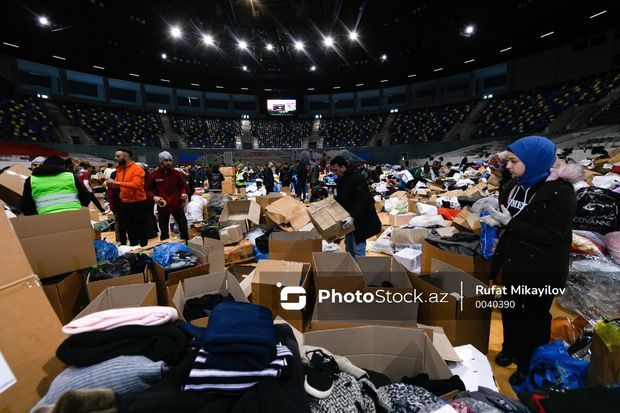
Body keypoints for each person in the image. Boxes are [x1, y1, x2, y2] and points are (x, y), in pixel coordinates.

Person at [480, 135, 580, 386]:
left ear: (534, 160)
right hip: (515, 262)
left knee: (534, 316)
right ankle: (510, 347)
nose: (509, 166)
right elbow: (509, 224)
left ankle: (528, 363)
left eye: (514, 161)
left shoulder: (560, 193)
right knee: (511, 309)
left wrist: (511, 224)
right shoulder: (512, 187)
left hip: (542, 268)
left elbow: (553, 235)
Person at [330, 156, 382, 258]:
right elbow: (343, 198)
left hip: (360, 220)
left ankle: (360, 272)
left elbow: (365, 200)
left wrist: (352, 217)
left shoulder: (357, 178)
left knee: (358, 250)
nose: (334, 172)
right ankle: (352, 271)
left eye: (335, 170)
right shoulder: (342, 180)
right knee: (349, 248)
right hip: (349, 222)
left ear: (343, 167)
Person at [106, 148, 148, 247]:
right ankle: (133, 247)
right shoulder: (120, 170)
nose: (115, 158)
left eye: (118, 156)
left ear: (126, 156)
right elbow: (121, 185)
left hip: (138, 202)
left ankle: (144, 248)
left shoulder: (137, 169)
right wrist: (111, 184)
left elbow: (135, 185)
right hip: (124, 202)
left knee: (140, 228)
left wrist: (116, 183)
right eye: (115, 156)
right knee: (129, 228)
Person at [20, 156, 91, 215]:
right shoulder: (70, 176)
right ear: (63, 166)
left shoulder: (31, 180)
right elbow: (86, 197)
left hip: (46, 220)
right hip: (75, 215)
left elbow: (26, 207)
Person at [146, 151, 189, 242]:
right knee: (164, 230)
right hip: (162, 206)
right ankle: (165, 249)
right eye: (166, 160)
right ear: (161, 161)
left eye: (170, 160)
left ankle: (186, 247)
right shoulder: (154, 175)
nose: (169, 162)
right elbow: (148, 190)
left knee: (183, 227)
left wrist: (183, 193)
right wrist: (154, 197)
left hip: (177, 205)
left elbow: (182, 186)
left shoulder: (177, 173)